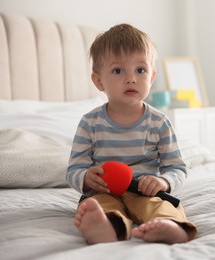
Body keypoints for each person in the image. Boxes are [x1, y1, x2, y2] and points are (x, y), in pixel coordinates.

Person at [66, 23, 197, 245]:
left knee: (159, 204)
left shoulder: (159, 123)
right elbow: (74, 169)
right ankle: (106, 228)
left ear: (152, 76)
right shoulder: (90, 123)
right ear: (99, 81)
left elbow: (176, 168)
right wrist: (87, 178)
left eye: (140, 70)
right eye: (118, 71)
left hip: (144, 191)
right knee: (100, 206)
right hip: (104, 190)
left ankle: (171, 226)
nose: (131, 78)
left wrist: (162, 181)